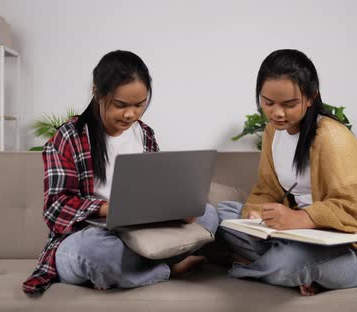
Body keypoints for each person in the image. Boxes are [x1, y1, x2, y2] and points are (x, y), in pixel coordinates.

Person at [23, 50, 218, 295]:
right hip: (92, 236)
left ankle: (133, 270)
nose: (131, 114)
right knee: (97, 253)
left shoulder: (145, 134)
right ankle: (168, 268)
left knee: (208, 214)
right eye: (121, 105)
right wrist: (108, 208)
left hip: (142, 233)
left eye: (139, 105)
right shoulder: (68, 137)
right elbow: (56, 208)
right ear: (97, 92)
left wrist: (175, 210)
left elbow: (155, 193)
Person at [217, 49, 357, 296]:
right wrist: (256, 212)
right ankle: (286, 265)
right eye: (268, 102)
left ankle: (245, 267)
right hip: (300, 237)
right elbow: (267, 189)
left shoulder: (332, 138)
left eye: (289, 104)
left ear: (310, 97)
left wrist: (301, 218)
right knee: (222, 214)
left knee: (289, 262)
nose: (277, 113)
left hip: (353, 250)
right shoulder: (272, 133)